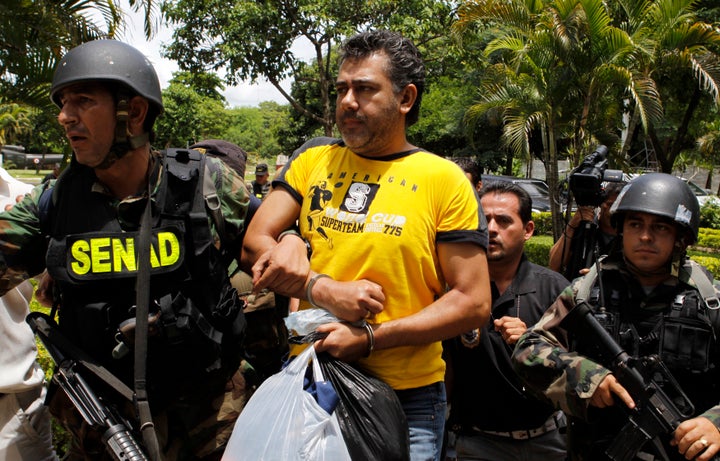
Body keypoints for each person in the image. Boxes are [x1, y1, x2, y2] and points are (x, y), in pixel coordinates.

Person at [241, 29, 491, 461]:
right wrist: (321, 286)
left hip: (405, 402)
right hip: (310, 384)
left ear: (406, 98)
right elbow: (253, 245)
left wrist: (370, 338)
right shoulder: (313, 162)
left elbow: (473, 302)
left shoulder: (444, 181)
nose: (347, 102)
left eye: (364, 89)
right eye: (341, 89)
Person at [0, 39, 251, 460]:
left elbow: (274, 239)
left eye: (82, 100)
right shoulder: (54, 203)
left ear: (133, 113)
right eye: (63, 102)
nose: (65, 116)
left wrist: (290, 243)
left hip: (212, 426)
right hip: (105, 432)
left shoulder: (206, 185)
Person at [512, 173, 720, 461]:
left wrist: (715, 423)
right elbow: (528, 349)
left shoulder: (710, 302)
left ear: (681, 236)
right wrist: (587, 378)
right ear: (622, 229)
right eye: (636, 225)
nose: (646, 236)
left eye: (660, 227)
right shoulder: (586, 292)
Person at [445, 181, 568, 461]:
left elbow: (578, 369)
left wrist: (534, 344)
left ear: (528, 231)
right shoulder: (451, 289)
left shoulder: (554, 289)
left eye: (503, 221)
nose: (490, 229)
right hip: (474, 444)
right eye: (483, 219)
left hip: (545, 442)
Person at [549, 182, 624, 279]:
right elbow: (554, 265)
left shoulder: (629, 237)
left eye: (619, 207)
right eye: (610, 205)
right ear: (601, 204)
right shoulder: (584, 229)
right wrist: (572, 225)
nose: (614, 211)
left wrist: (598, 275)